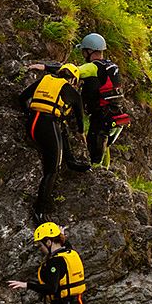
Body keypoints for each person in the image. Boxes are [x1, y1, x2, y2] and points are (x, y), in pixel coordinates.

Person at [18, 61, 90, 220]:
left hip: (32, 123)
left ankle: (71, 161)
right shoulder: (72, 92)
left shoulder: (44, 80)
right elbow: (79, 122)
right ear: (74, 80)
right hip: (47, 126)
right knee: (52, 170)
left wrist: (28, 114)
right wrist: (81, 134)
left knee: (61, 127)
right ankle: (39, 212)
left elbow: (22, 97)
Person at [75, 33, 128, 167]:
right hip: (116, 117)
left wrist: (46, 67)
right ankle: (105, 173)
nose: (83, 54)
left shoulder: (94, 67)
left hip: (101, 118)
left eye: (83, 51)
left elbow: (72, 71)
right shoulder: (112, 66)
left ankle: (95, 177)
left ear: (89, 51)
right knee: (105, 145)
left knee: (95, 153)